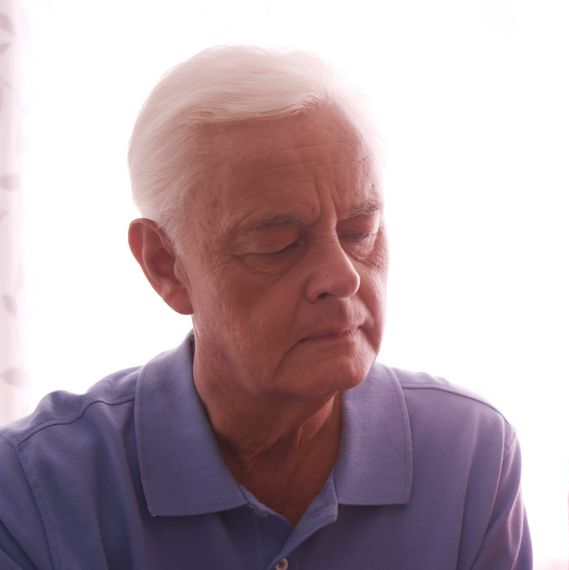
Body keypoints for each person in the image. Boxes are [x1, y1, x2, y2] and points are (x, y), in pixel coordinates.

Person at [0, 46, 531, 569]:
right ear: (166, 265)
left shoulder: (469, 453)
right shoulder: (34, 486)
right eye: (278, 243)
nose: (343, 276)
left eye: (359, 231)